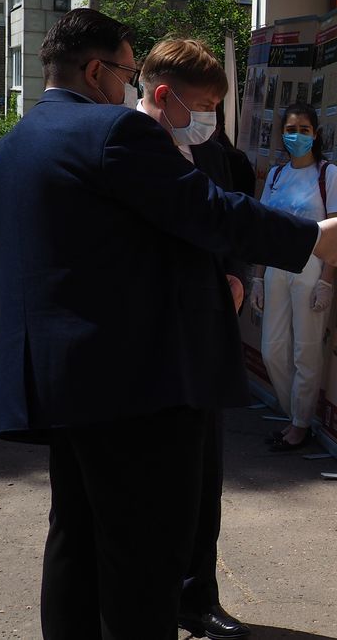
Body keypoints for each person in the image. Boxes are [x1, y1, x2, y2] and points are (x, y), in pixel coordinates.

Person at [0, 8, 337, 640]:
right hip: (139, 391)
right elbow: (206, 210)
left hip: (60, 390)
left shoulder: (6, 151)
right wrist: (310, 240)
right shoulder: (113, 134)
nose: (130, 87)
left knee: (74, 541)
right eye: (129, 72)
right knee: (143, 559)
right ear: (98, 70)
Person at [134, 37, 252, 640]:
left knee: (202, 480)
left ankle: (195, 596)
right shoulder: (119, 148)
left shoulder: (214, 149)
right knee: (146, 485)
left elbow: (237, 213)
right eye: (202, 106)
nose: (210, 120)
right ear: (163, 94)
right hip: (142, 347)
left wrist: (237, 275)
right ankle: (144, 602)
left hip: (205, 338)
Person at [248, 103, 337, 451]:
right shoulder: (276, 176)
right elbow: (260, 231)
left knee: (306, 350)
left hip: (311, 267)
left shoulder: (328, 175)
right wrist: (257, 278)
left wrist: (326, 281)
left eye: (304, 130)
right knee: (272, 349)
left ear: (316, 134)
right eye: (291, 129)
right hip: (276, 265)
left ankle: (300, 425)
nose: (297, 136)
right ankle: (295, 413)